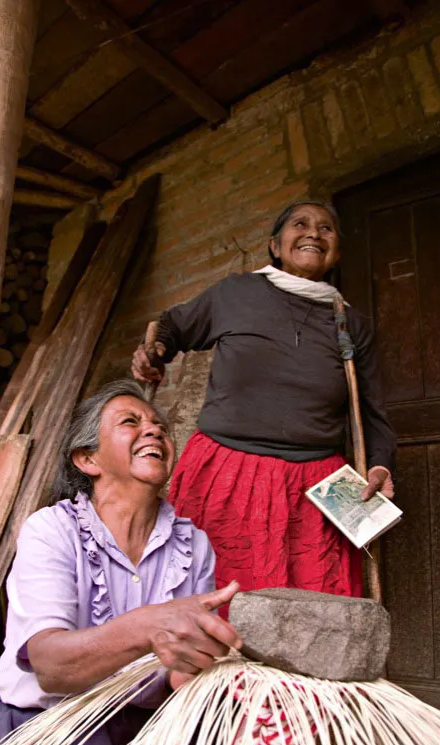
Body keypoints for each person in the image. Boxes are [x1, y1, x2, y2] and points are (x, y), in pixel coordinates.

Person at [0, 380, 241, 745]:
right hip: (40, 733)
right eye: (131, 422)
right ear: (87, 458)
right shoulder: (52, 531)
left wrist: (205, 672)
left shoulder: (192, 544)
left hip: (138, 735)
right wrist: (150, 627)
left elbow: (182, 673)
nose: (154, 431)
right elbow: (52, 666)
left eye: (159, 425)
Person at [132, 201, 396, 609]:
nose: (313, 233)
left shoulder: (351, 323)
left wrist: (378, 465)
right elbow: (172, 327)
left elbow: (372, 408)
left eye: (326, 229)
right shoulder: (235, 293)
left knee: (314, 612)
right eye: (300, 224)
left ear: (337, 253)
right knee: (213, 602)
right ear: (275, 245)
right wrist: (155, 352)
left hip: (316, 485)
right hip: (228, 474)